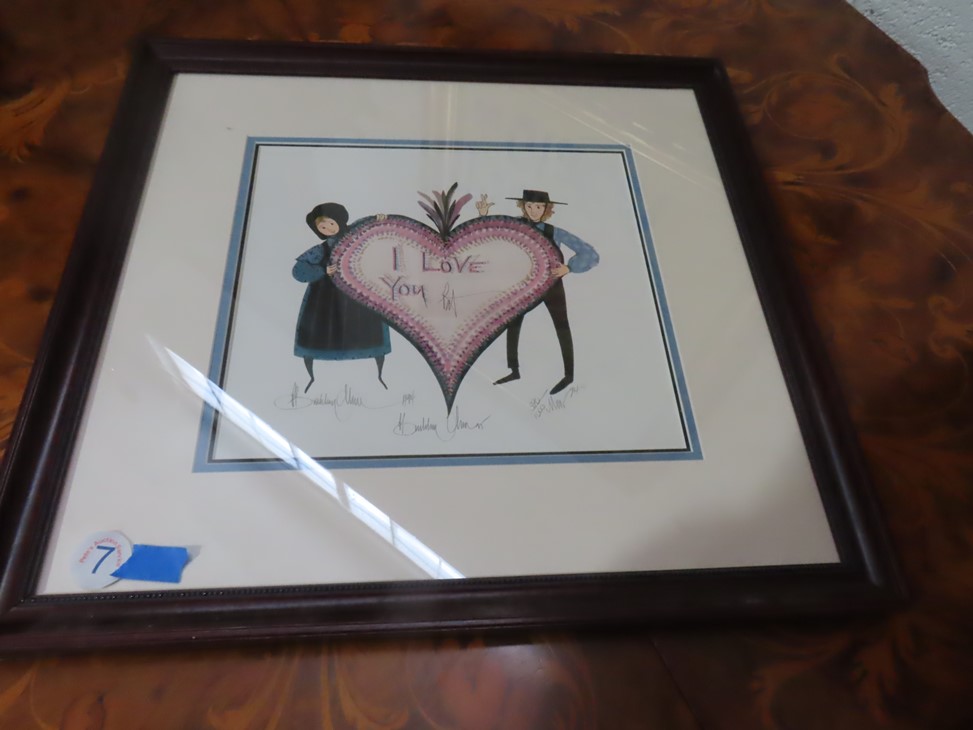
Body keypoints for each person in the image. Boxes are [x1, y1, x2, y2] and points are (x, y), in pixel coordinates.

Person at [478, 190, 599, 395]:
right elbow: (491, 233)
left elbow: (590, 254)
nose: (534, 211)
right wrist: (483, 216)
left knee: (561, 325)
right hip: (524, 284)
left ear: (546, 209)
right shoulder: (514, 225)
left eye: (539, 207)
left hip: (551, 284)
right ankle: (514, 370)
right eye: (529, 206)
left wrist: (569, 268)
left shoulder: (555, 232)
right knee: (513, 323)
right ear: (523, 207)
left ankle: (569, 375)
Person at [292, 202, 390, 392]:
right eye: (322, 227)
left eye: (331, 223)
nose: (328, 229)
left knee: (369, 330)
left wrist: (378, 219)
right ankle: (312, 378)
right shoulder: (321, 249)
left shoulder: (355, 236)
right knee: (322, 329)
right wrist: (323, 270)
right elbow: (298, 271)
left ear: (339, 220)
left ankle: (379, 376)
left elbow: (364, 225)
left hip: (358, 293)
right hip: (325, 298)